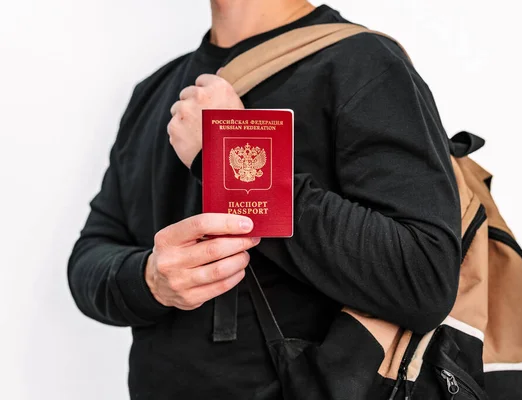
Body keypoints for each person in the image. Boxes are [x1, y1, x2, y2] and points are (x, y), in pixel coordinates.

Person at [67, 1, 462, 398]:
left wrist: (224, 153)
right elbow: (89, 257)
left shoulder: (364, 65)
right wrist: (150, 279)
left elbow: (424, 277)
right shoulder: (156, 90)